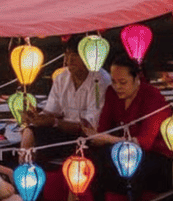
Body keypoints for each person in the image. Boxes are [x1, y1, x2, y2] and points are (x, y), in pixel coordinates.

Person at [85, 54, 173, 201]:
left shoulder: (152, 97)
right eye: (114, 81)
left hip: (156, 155)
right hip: (124, 148)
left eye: (123, 82)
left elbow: (145, 142)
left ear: (136, 79)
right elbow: (103, 129)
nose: (117, 87)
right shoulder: (111, 93)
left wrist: (108, 139)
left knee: (132, 163)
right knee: (92, 156)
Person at [20, 35, 111, 164]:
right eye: (67, 54)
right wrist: (36, 117)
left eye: (75, 55)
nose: (70, 59)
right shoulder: (62, 78)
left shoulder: (100, 80)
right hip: (64, 132)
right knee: (29, 132)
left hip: (90, 138)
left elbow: (91, 126)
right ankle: (24, 170)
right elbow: (51, 111)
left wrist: (54, 122)